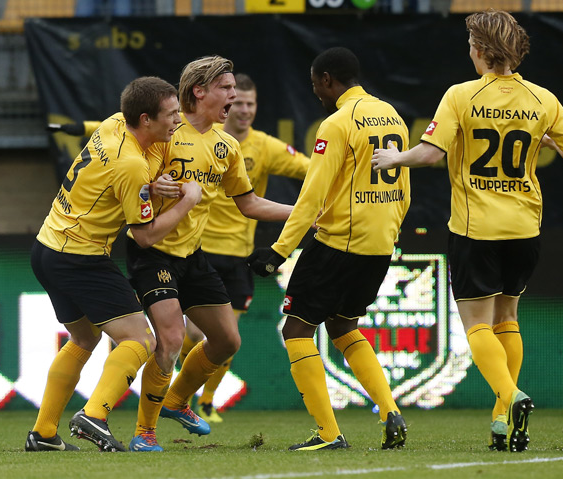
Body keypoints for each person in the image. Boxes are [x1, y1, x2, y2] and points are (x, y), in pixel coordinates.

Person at [371, 10, 563, 453]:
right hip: (524, 227)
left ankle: (511, 397)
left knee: (477, 324)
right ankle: (500, 422)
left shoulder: (461, 95)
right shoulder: (544, 100)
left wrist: (393, 159)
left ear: (480, 50)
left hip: (475, 228)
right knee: (508, 318)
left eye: (470, 46)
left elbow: (428, 154)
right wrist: (553, 142)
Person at [126, 56, 294, 452]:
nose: (234, 97)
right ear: (198, 91)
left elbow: (249, 203)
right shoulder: (166, 131)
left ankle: (176, 401)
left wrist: (304, 213)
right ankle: (144, 431)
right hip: (153, 253)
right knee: (170, 339)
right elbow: (130, 177)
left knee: (226, 341)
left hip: (192, 256)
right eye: (225, 88)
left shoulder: (226, 146)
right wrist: (151, 187)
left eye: (234, 89)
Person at [25, 76, 202, 452]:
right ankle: (94, 415)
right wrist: (187, 201)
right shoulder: (132, 166)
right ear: (145, 119)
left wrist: (150, 189)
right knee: (141, 339)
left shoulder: (113, 124)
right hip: (79, 256)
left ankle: (42, 434)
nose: (177, 121)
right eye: (170, 115)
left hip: (47, 247)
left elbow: (116, 183)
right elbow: (145, 236)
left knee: (84, 338)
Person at [248, 46, 410, 451]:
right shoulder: (392, 116)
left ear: (327, 81)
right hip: (379, 244)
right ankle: (390, 410)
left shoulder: (338, 123)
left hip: (340, 243)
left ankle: (327, 433)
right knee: (343, 326)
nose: (316, 93)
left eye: (315, 85)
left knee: (297, 329)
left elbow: (312, 197)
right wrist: (389, 232)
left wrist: (278, 251)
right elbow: (404, 188)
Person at [179, 73, 310, 423]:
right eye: (238, 103)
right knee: (191, 335)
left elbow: (310, 170)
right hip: (201, 250)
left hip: (238, 257)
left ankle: (205, 401)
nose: (245, 110)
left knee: (226, 338)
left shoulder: (265, 146)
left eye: (251, 104)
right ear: (224, 104)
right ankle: (180, 395)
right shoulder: (202, 139)